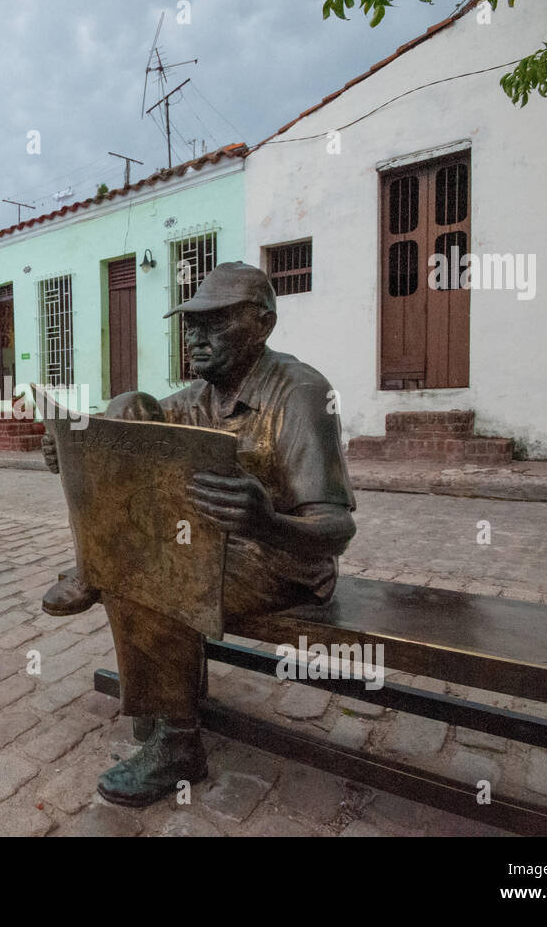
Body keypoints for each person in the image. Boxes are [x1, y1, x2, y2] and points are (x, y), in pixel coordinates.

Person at [40, 261, 357, 806]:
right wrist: (70, 454)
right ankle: (155, 683)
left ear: (262, 324)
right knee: (128, 410)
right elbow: (118, 444)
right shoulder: (193, 401)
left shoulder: (301, 393)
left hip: (282, 564)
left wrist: (266, 521)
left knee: (139, 568)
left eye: (215, 323)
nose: (195, 337)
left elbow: (336, 530)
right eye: (190, 324)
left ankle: (179, 744)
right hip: (204, 548)